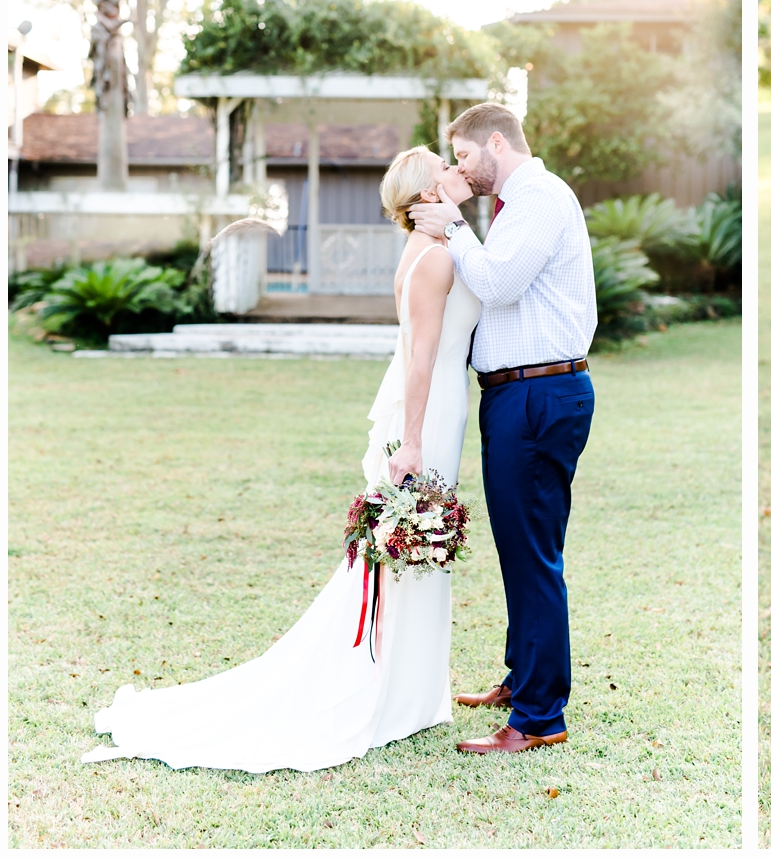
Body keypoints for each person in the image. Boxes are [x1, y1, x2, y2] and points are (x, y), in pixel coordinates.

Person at [82, 147, 481, 772]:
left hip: (439, 407)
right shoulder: (434, 261)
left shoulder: (436, 249)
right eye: (447, 169)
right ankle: (396, 695)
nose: (459, 173)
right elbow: (422, 358)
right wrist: (412, 442)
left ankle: (413, 691)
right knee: (410, 547)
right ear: (430, 193)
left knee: (412, 554)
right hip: (427, 415)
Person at [408, 101, 596, 757]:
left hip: (539, 395)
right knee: (520, 548)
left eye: (463, 156)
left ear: (496, 142)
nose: (461, 168)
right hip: (521, 394)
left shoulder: (540, 197)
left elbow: (501, 283)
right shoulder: (517, 201)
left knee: (533, 553)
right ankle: (523, 680)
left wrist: (454, 227)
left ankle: (540, 717)